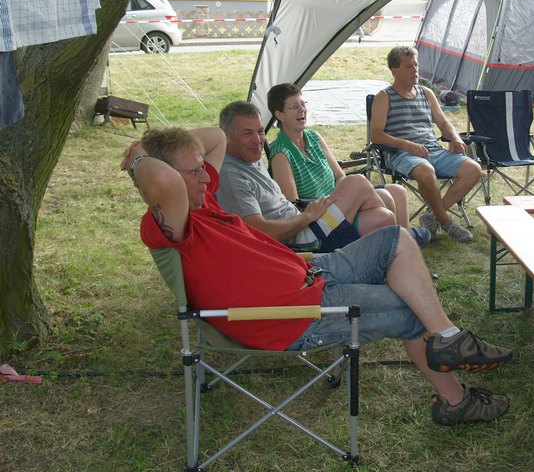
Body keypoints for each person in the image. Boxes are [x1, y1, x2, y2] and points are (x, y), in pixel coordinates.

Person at [122, 126, 512, 425]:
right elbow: (164, 181)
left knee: (396, 238)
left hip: (311, 272)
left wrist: (153, 145)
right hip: (293, 315)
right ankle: (455, 401)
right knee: (413, 308)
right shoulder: (173, 224)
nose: (206, 177)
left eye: (201, 169)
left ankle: (446, 336)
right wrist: (140, 158)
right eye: (194, 172)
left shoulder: (201, 199)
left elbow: (216, 137)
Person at [214, 101, 423, 252]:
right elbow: (258, 232)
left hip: (304, 223)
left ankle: (396, 250)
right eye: (247, 133)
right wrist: (307, 217)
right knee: (357, 183)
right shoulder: (231, 176)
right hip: (302, 242)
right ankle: (403, 242)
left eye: (260, 132)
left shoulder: (249, 157)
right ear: (226, 137)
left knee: (383, 218)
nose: (257, 140)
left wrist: (306, 213)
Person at [265, 83, 430, 247]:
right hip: (318, 220)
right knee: (379, 208)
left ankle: (402, 244)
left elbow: (339, 176)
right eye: (294, 106)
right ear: (280, 115)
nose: (302, 109)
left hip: (336, 202)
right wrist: (336, 204)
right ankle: (401, 242)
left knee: (397, 192)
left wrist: (345, 201)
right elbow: (295, 207)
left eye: (303, 103)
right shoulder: (281, 155)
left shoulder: (314, 138)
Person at [370, 46, 482, 243]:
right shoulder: (384, 97)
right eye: (408, 66)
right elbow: (376, 135)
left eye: (416, 65)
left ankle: (432, 216)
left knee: (473, 169)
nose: (415, 70)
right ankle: (447, 222)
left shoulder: (426, 93)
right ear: (394, 71)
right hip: (401, 153)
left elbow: (444, 123)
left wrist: (455, 138)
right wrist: (407, 145)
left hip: (432, 150)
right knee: (427, 172)